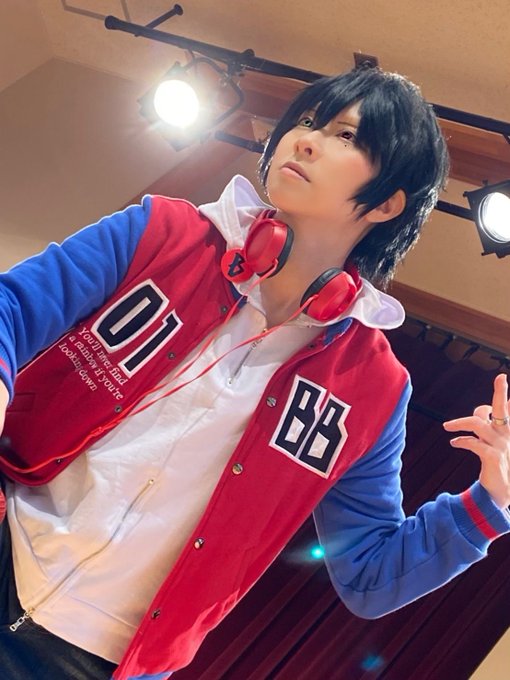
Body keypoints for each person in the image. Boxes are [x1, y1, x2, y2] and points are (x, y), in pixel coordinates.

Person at [0, 66, 508, 680]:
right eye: (307, 120)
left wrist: (493, 501)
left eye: (346, 136)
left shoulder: (374, 387)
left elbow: (370, 578)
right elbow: (11, 309)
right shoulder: (159, 231)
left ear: (386, 203)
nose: (306, 139)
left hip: (96, 660)